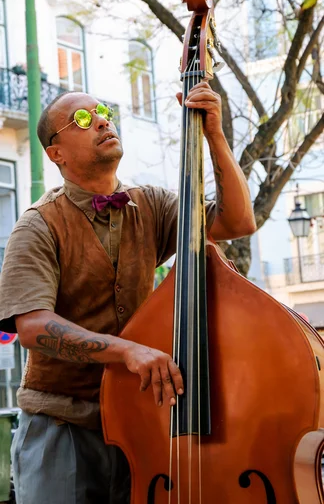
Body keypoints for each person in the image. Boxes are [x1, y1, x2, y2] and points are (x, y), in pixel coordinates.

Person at [0, 82, 256, 504]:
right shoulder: (36, 226)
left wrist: (214, 134)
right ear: (56, 153)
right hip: (61, 426)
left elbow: (236, 222)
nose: (101, 120)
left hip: (141, 424)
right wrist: (128, 352)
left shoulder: (152, 205)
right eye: (81, 119)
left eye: (102, 111)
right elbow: (31, 327)